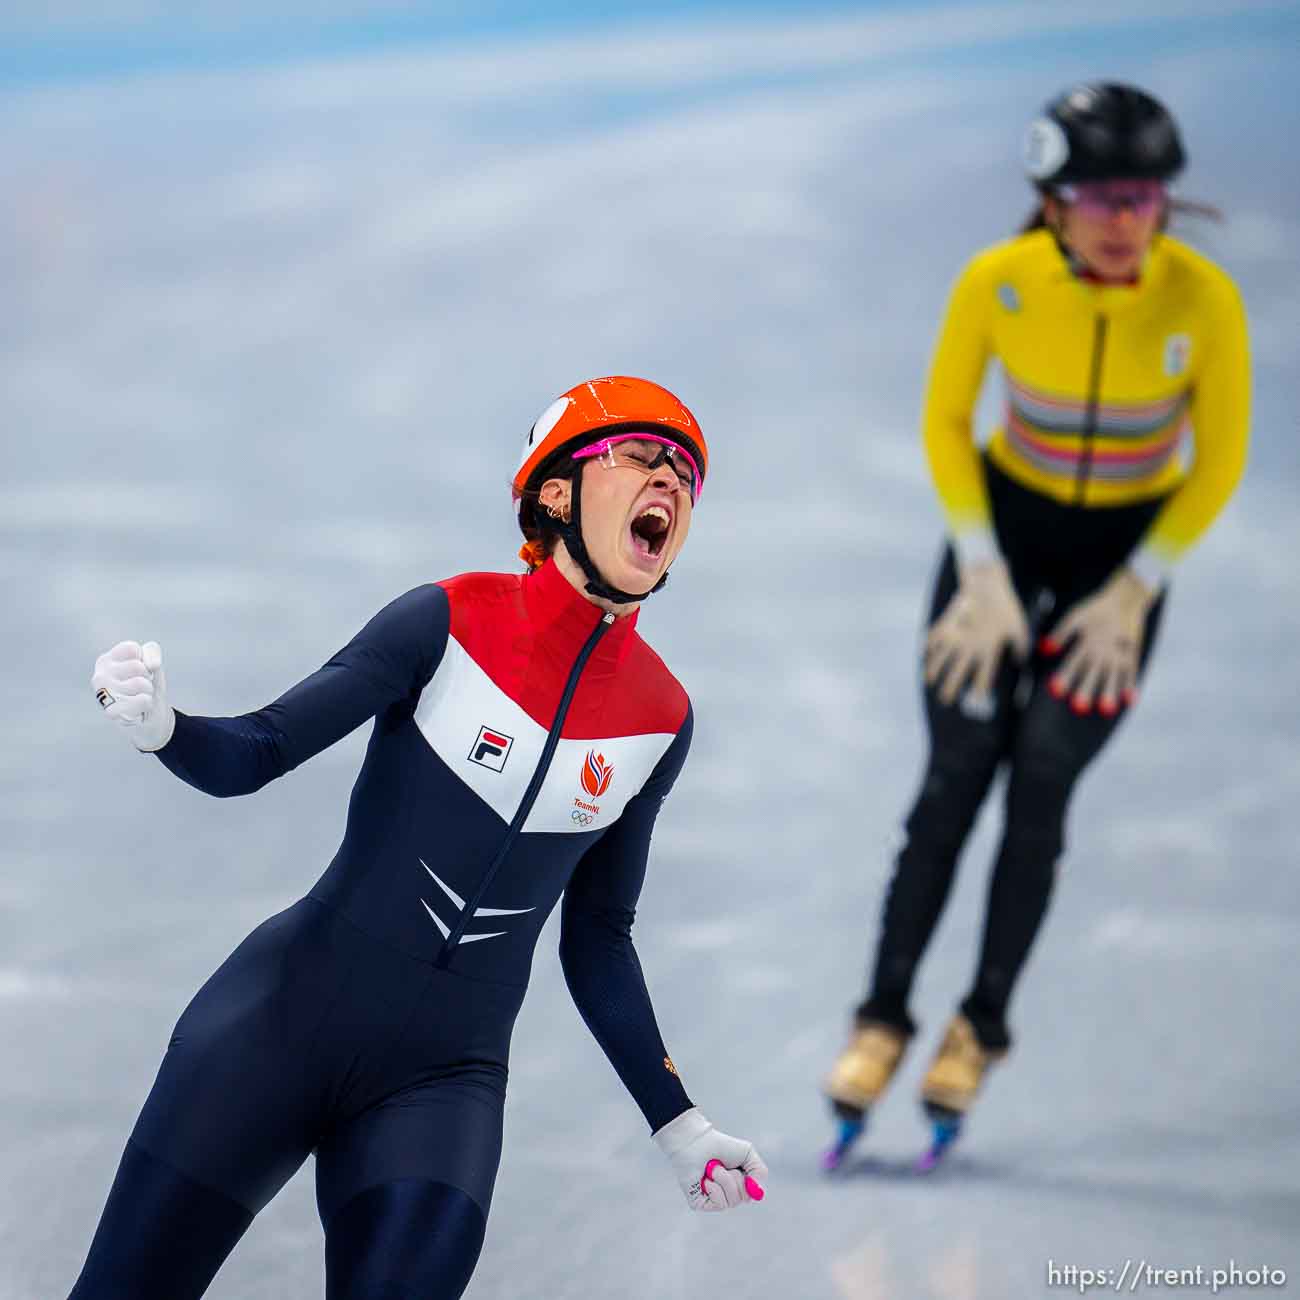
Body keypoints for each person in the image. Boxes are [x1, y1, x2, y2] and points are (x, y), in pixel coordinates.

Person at [76, 375, 767, 1300]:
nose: (669, 484)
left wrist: (677, 1122)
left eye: (686, 474)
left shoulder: (659, 718)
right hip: (275, 1027)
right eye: (642, 458)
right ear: (556, 492)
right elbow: (260, 750)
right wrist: (165, 726)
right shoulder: (447, 619)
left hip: (443, 1086)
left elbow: (599, 940)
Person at [822, 83, 1250, 1168]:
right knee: (953, 778)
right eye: (1103, 196)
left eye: (1145, 194)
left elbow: (1220, 457)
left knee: (1043, 781)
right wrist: (978, 567)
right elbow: (947, 419)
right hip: (1001, 547)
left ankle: (980, 1029)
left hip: (1117, 567)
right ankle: (879, 1019)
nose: (1127, 218)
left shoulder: (1202, 301)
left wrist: (1137, 586)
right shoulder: (997, 284)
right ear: (1052, 202)